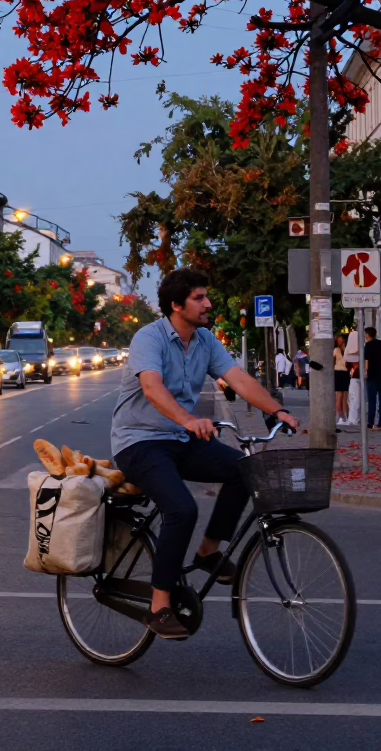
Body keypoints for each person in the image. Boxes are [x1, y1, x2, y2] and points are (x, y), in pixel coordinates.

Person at [111, 268, 299, 639]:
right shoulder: (148, 338)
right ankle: (159, 606)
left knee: (245, 468)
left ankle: (208, 551)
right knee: (181, 509)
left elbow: (238, 378)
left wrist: (275, 410)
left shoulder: (204, 340)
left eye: (206, 296)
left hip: (180, 439)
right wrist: (187, 419)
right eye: (199, 297)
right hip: (139, 441)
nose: (208, 303)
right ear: (176, 305)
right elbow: (152, 388)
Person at [363, 327, 381, 430]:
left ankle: (370, 423)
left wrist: (365, 372)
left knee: (372, 400)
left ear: (367, 335)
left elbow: (366, 361)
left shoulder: (368, 345)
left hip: (372, 375)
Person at [333, 335, 350, 424]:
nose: (339, 342)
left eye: (341, 340)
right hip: (338, 372)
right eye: (338, 340)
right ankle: (340, 416)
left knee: (345, 396)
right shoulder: (336, 350)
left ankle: (346, 416)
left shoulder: (347, 350)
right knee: (339, 396)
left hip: (346, 373)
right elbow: (332, 362)